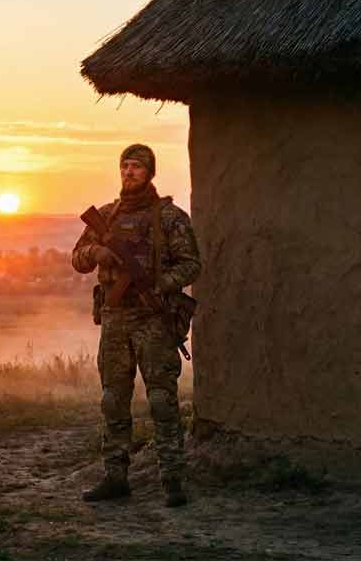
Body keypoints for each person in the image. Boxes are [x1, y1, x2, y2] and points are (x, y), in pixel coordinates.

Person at [71, 143, 202, 507]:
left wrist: (158, 285)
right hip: (115, 320)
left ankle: (172, 480)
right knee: (113, 400)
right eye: (125, 166)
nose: (129, 172)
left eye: (137, 167)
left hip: (153, 321)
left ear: (149, 173)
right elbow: (77, 258)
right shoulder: (106, 216)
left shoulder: (170, 217)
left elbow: (192, 265)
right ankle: (115, 477)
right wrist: (96, 252)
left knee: (162, 400)